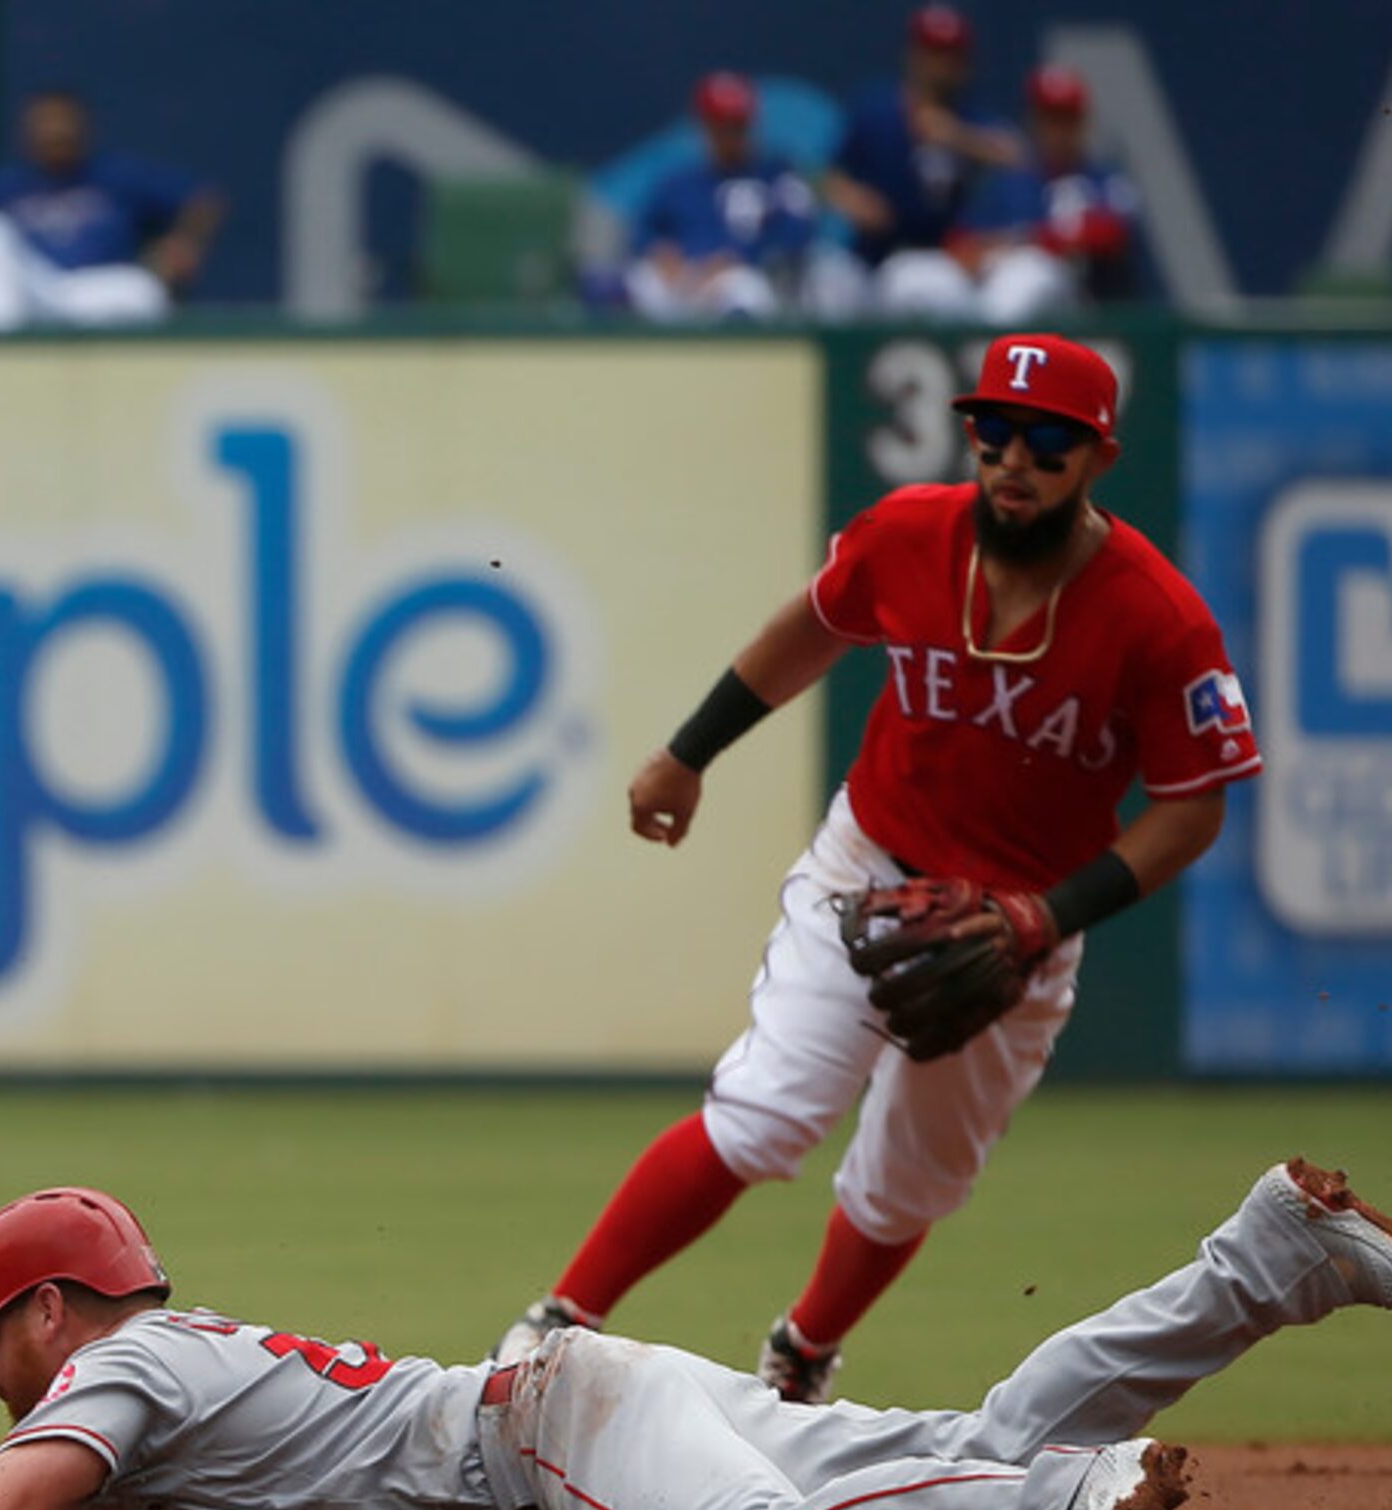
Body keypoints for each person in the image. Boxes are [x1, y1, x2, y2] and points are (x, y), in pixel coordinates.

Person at [508, 333, 1261, 1406]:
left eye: (1048, 441)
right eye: (993, 430)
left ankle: (804, 1350)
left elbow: (1192, 808)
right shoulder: (908, 534)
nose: (1013, 457)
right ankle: (556, 1321)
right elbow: (812, 629)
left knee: (907, 1182)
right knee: (763, 1113)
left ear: (1099, 457)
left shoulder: (1157, 616)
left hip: (1021, 927)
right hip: (867, 867)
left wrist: (1044, 918)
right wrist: (688, 752)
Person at [0, 1161, 1392, 1510]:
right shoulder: (163, 1380)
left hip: (552, 1445)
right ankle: (1258, 1264)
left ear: (51, 1309)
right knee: (966, 1432)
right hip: (574, 1405)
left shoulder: (120, 1366)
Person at [0, 89, 221, 332]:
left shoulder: (117, 175)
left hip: (96, 291)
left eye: (63, 123)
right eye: (46, 123)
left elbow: (202, 200)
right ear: (28, 132)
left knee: (144, 290)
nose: (55, 132)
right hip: (32, 292)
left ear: (82, 128)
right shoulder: (3, 186)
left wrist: (184, 242)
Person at [814, 4, 1022, 318]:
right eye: (932, 52)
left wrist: (956, 136)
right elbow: (825, 177)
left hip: (940, 259)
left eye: (949, 54)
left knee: (912, 281)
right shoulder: (877, 111)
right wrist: (853, 198)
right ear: (913, 55)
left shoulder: (970, 119)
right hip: (873, 254)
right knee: (826, 275)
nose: (940, 65)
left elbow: (1017, 156)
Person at [622, 73, 820, 324]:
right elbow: (644, 230)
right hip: (685, 280)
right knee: (641, 282)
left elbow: (798, 232)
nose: (729, 134)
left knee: (745, 289)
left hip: (742, 280)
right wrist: (660, 253)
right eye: (720, 125)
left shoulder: (775, 175)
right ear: (704, 127)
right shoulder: (681, 182)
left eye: (736, 125)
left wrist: (740, 257)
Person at [953, 67, 1141, 324]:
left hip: (1081, 295)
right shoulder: (1010, 182)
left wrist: (1031, 241)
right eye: (1050, 118)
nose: (1058, 129)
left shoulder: (1102, 179)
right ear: (1034, 119)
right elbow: (960, 244)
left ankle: (991, 354)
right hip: (996, 285)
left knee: (1029, 272)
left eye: (1066, 118)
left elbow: (1114, 233)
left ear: (1081, 122)